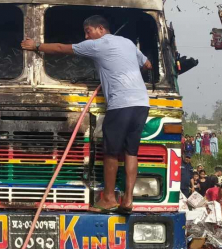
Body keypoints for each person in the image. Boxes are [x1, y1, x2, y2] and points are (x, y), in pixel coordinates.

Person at [22, 15, 151, 212]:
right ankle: (127, 200)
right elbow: (147, 65)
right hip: (141, 103)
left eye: (88, 31)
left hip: (120, 104)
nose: (86, 36)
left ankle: (109, 199)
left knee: (111, 153)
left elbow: (61, 48)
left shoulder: (98, 45)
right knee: (131, 152)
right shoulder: (127, 42)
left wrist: (36, 46)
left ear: (101, 29)